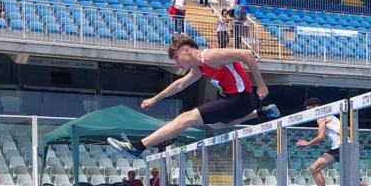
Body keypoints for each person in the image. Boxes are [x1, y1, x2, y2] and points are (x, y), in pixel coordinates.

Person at [107, 36, 280, 159]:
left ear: (187, 50)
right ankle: (260, 112)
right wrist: (155, 99)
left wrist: (261, 83)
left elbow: (246, 54)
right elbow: (181, 84)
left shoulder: (210, 56)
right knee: (218, 125)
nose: (176, 63)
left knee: (185, 118)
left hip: (240, 99)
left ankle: (138, 147)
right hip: (239, 103)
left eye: (176, 58)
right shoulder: (200, 68)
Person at [295, 97, 371, 186]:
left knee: (350, 180)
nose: (309, 114)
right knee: (314, 168)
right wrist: (355, 142)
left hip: (343, 147)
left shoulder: (321, 116)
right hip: (339, 147)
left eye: (309, 111)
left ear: (315, 108)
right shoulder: (332, 117)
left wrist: (307, 143)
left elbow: (321, 136)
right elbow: (347, 129)